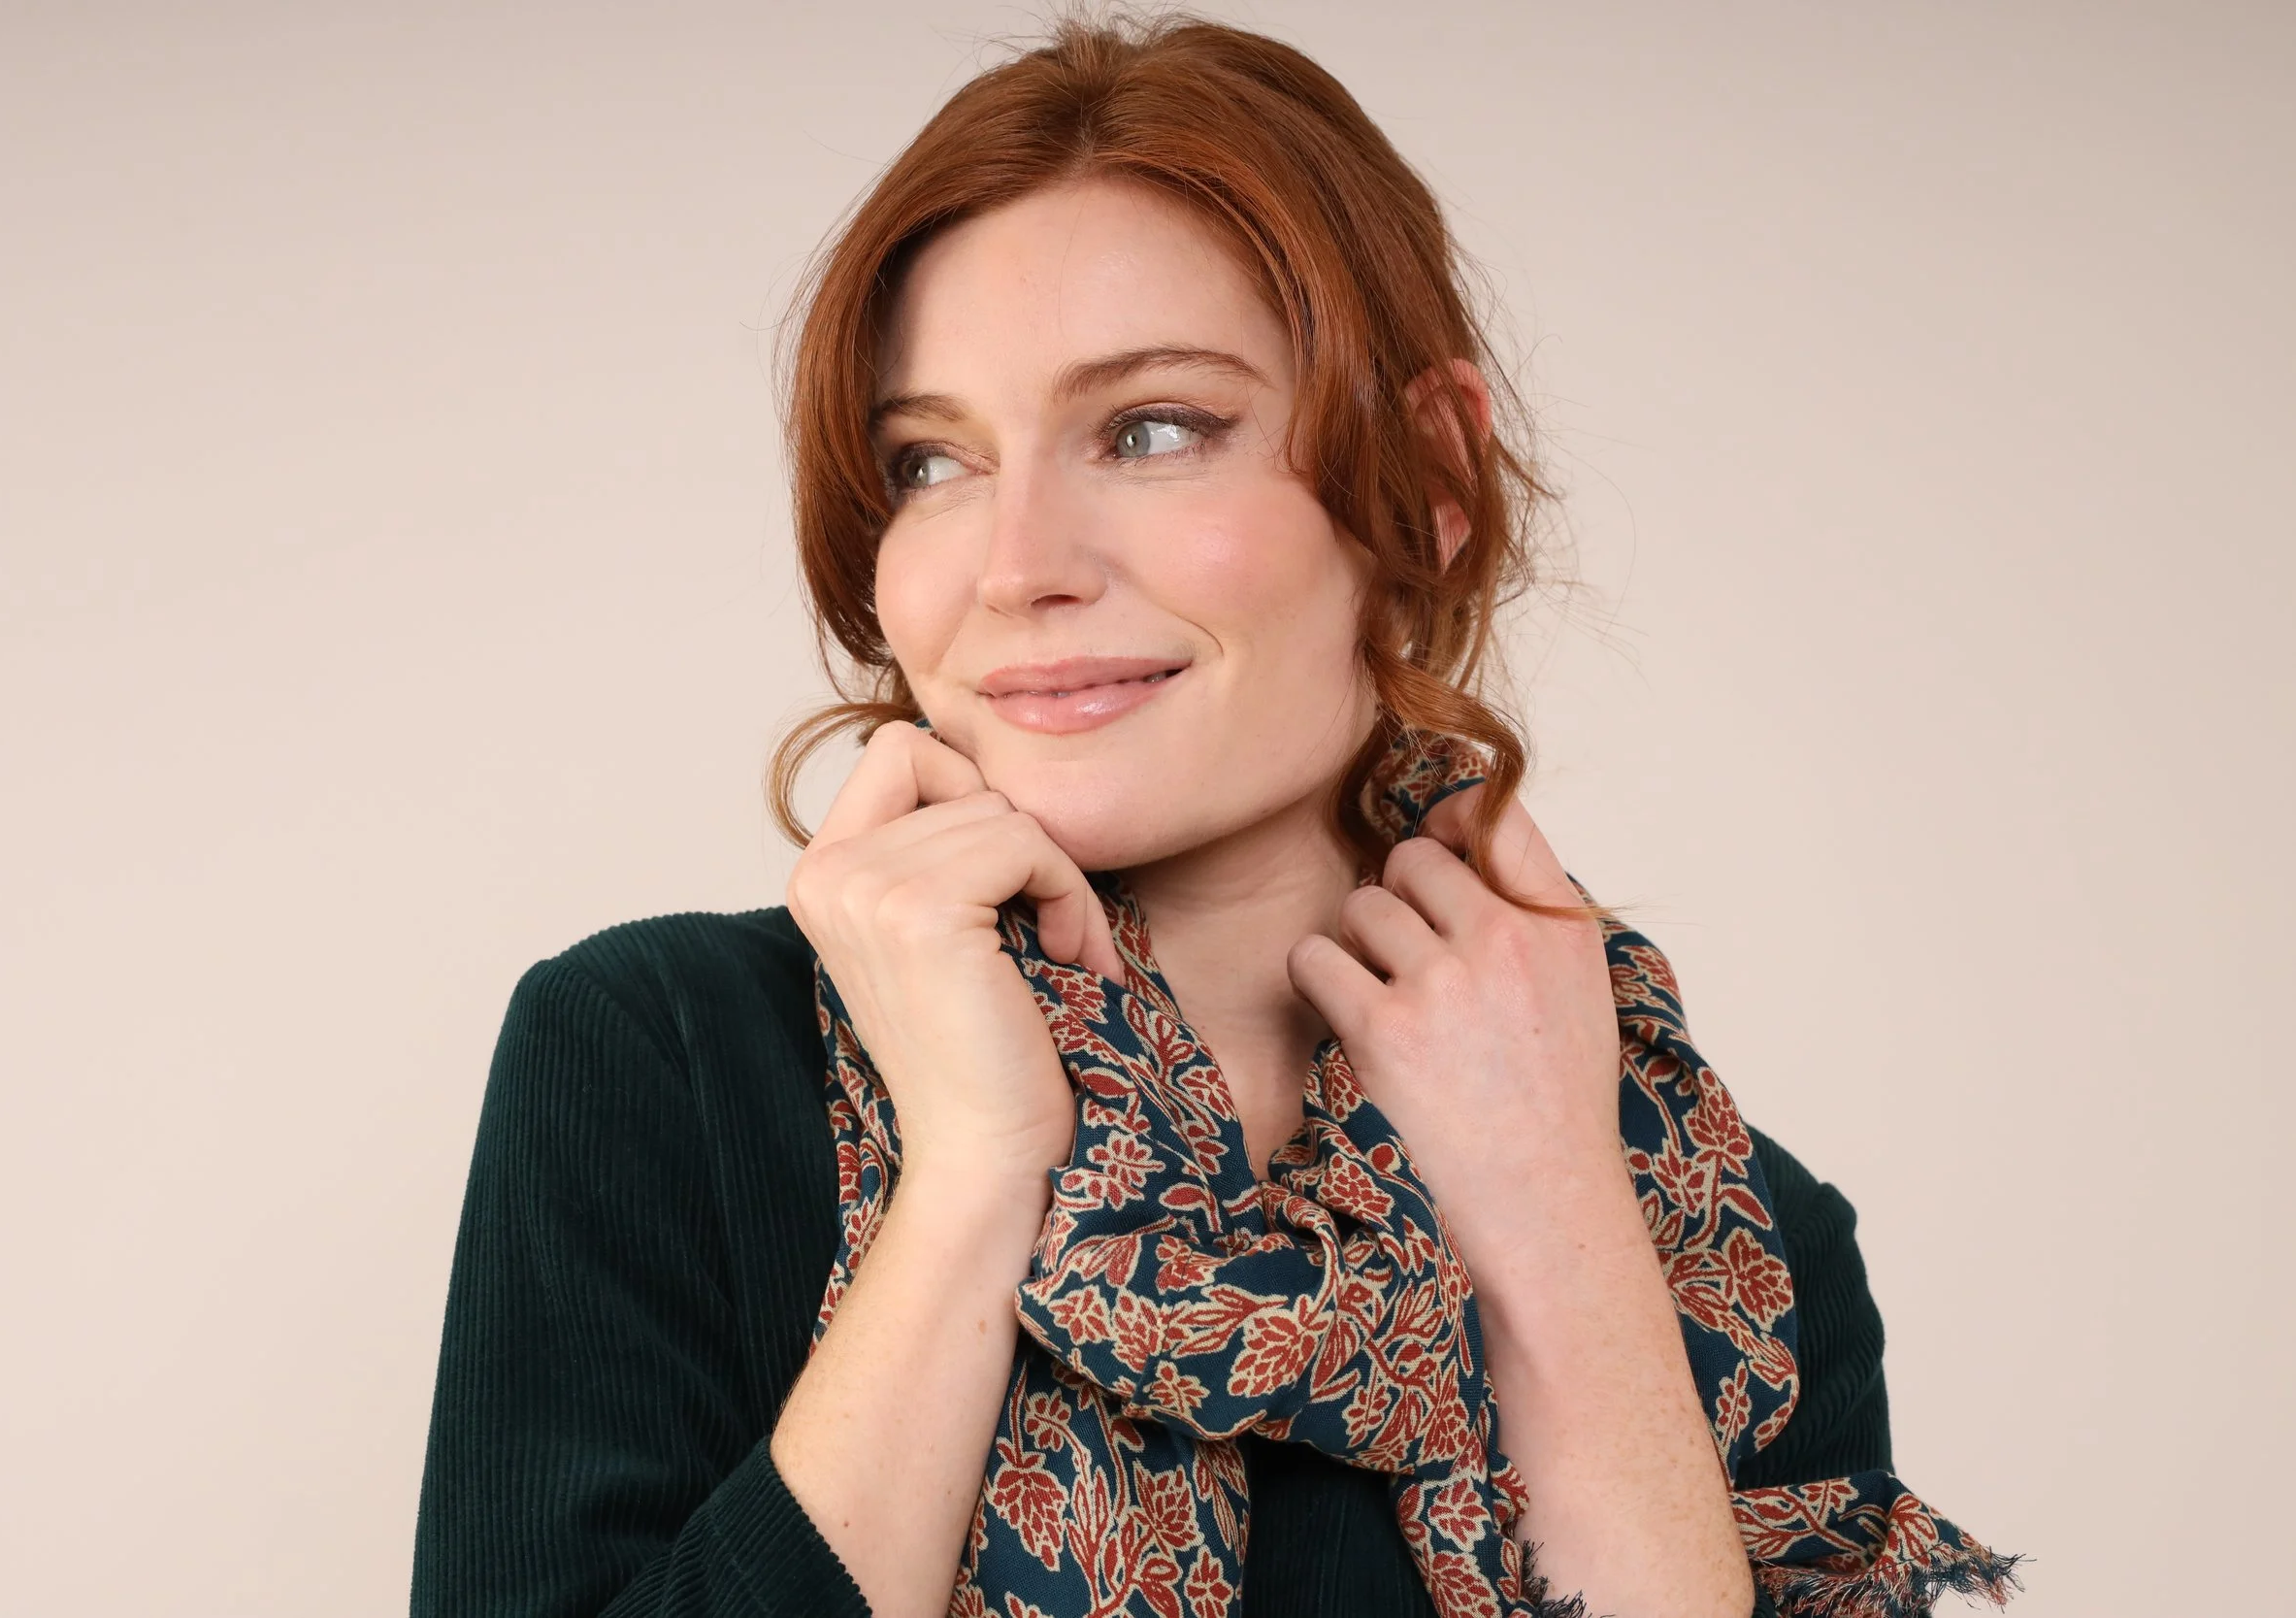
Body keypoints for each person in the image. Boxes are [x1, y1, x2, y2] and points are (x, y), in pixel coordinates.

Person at [410, 17, 2013, 1618]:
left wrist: (1563, 1226)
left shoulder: (1733, 1227)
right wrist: (973, 1171)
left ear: (1431, 475)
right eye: (930, 460)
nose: (1017, 559)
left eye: (1152, 428)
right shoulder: (666, 1065)